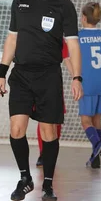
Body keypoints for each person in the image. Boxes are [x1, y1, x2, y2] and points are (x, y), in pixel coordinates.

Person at [0, 0, 83, 201]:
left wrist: (77, 77)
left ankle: (48, 183)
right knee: (16, 129)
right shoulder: (20, 2)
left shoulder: (63, 5)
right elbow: (12, 39)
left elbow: (73, 46)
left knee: (48, 132)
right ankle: (25, 178)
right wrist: (2, 73)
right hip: (21, 74)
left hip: (48, 76)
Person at [77, 2, 101, 169]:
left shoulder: (78, 37)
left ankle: (98, 144)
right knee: (97, 118)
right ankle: (95, 158)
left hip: (88, 82)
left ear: (84, 18)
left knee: (86, 120)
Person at [35, 38, 73, 169]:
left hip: (54, 82)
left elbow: (67, 58)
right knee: (43, 120)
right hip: (36, 81)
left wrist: (77, 78)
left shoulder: (59, 39)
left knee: (56, 120)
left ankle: (50, 151)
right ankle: (42, 153)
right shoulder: (33, 35)